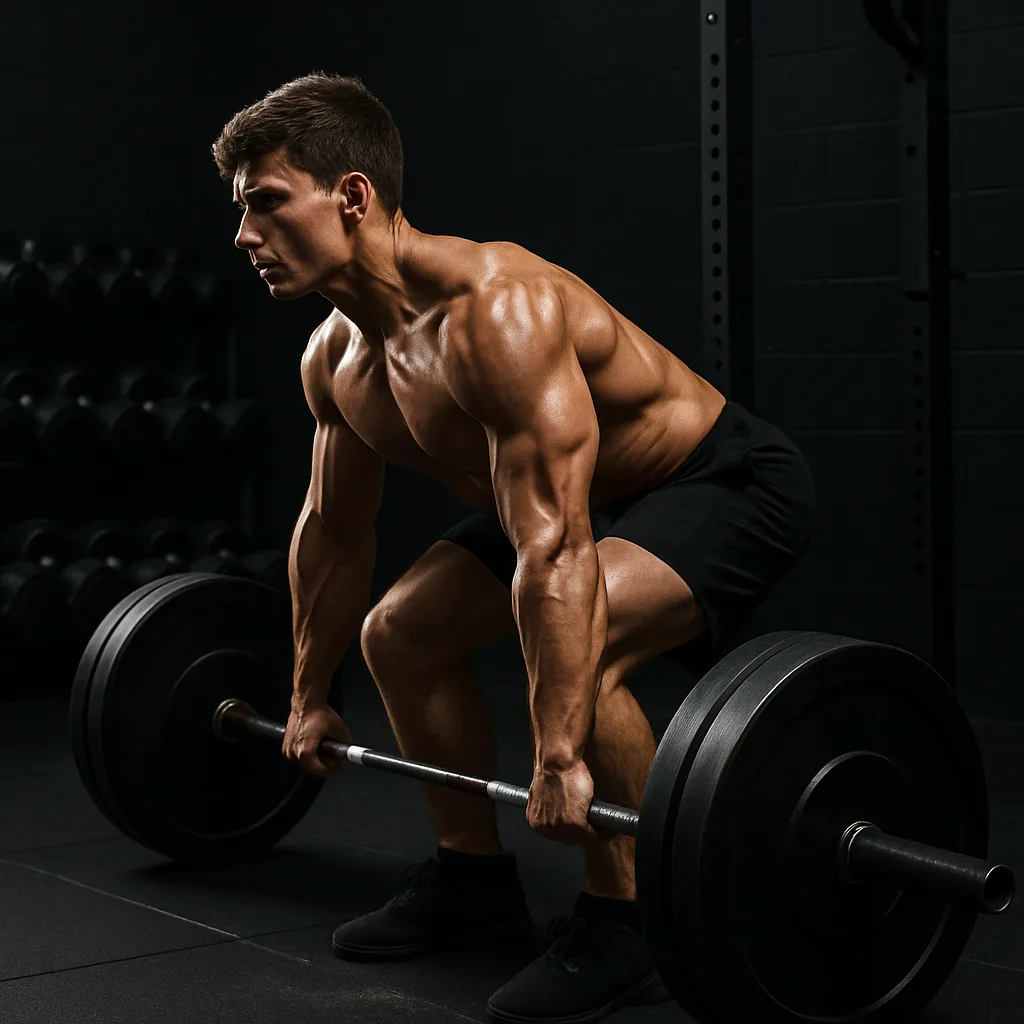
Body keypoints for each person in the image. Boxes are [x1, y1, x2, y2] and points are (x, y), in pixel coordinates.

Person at [213, 72, 816, 1024]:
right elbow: (332, 531)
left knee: (590, 633)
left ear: (353, 196)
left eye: (265, 204)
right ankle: (472, 884)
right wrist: (307, 692)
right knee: (399, 635)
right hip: (561, 506)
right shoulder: (334, 359)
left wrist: (560, 751)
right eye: (241, 211)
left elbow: (556, 546)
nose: (244, 236)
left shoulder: (496, 311)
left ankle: (629, 920)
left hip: (711, 481)